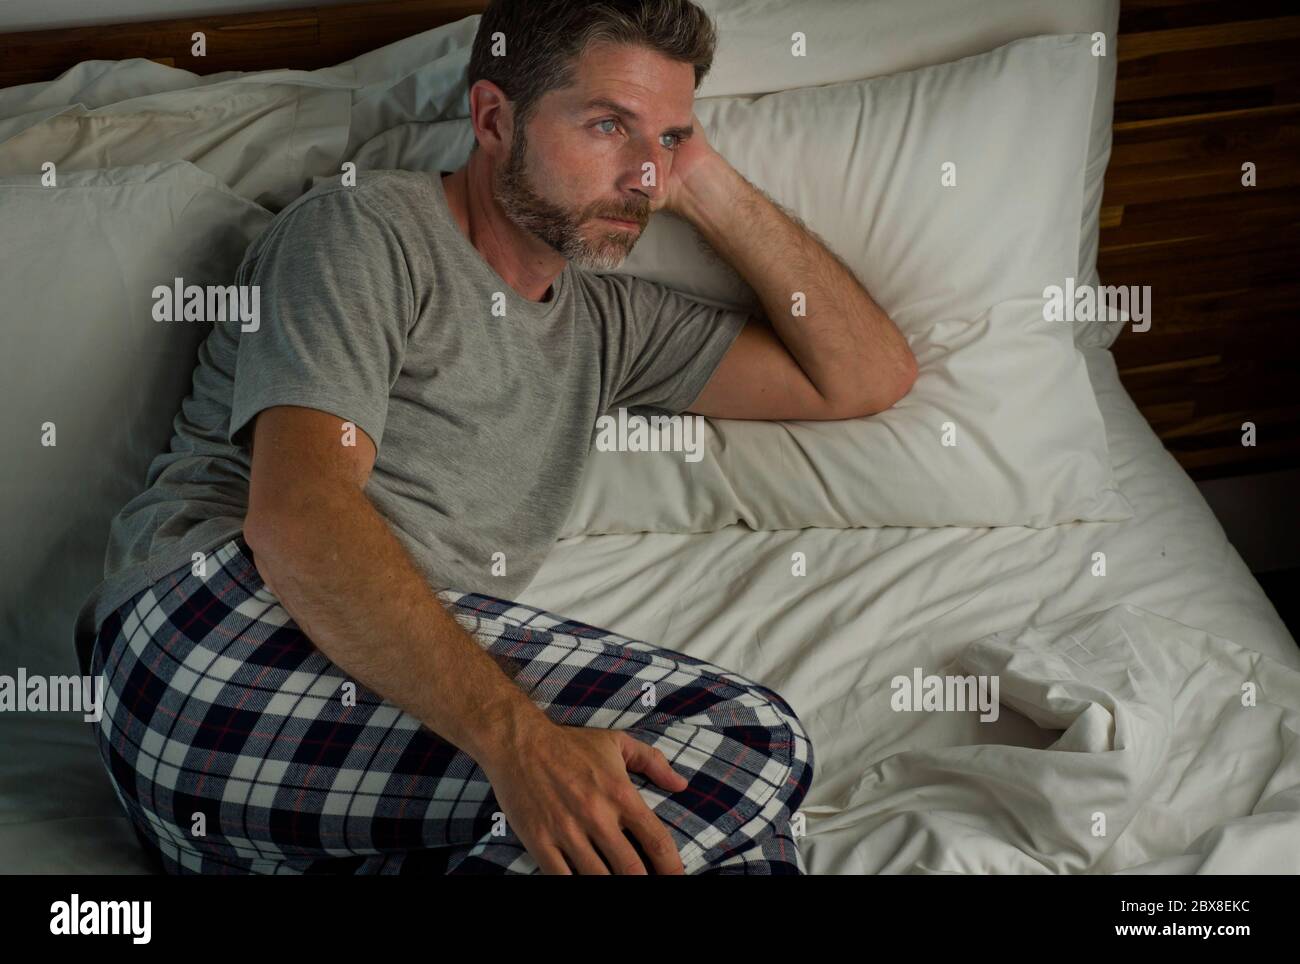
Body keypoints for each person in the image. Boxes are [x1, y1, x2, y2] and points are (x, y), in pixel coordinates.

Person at [77, 0, 916, 875]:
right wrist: (522, 746)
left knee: (714, 842)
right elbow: (299, 517)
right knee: (746, 738)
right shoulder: (364, 231)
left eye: (665, 138)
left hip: (319, 762)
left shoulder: (609, 324)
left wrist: (701, 179)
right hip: (208, 642)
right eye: (607, 126)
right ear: (492, 119)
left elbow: (862, 375)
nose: (641, 175)